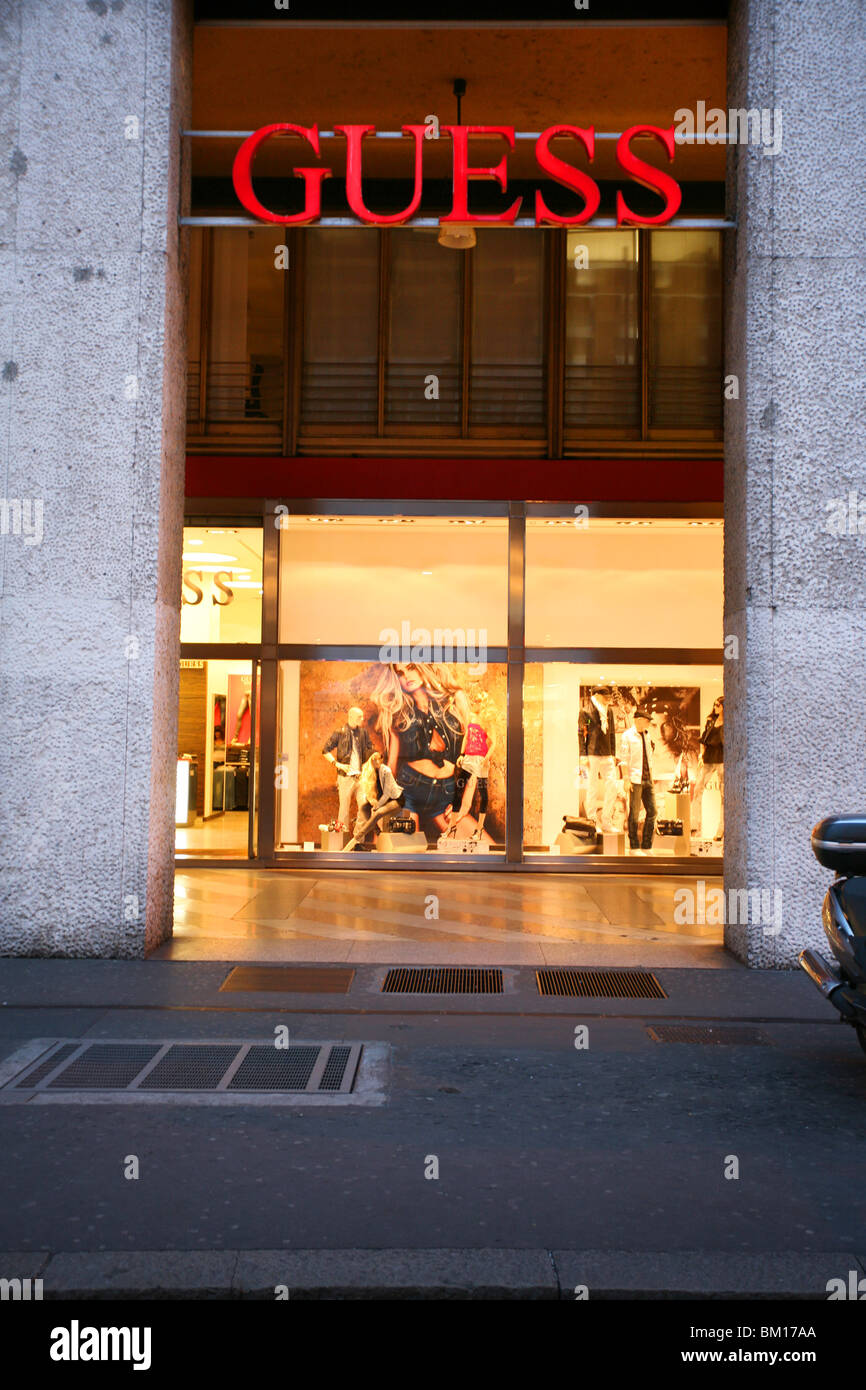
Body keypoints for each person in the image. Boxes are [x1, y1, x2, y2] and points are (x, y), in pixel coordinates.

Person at [368, 662, 480, 841]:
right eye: (400, 673)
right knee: (399, 856)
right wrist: (382, 806)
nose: (406, 676)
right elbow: (391, 765)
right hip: (408, 791)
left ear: (424, 666)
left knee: (481, 852)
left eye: (411, 668)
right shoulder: (398, 710)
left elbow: (473, 754)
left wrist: (463, 801)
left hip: (445, 795)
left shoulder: (454, 698)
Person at [449, 687, 497, 841]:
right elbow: (467, 737)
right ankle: (456, 823)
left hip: (480, 759)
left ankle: (479, 828)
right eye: (473, 701)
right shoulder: (472, 718)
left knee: (483, 793)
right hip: (469, 757)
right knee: (460, 785)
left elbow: (494, 742)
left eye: (477, 701)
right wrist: (462, 754)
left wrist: (486, 758)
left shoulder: (488, 721)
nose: (474, 703)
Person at [322, 706, 372, 832]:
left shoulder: (363, 733)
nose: (362, 719)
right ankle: (341, 840)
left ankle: (358, 840)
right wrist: (337, 764)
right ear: (351, 717)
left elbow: (369, 751)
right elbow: (325, 750)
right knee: (344, 810)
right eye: (359, 717)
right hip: (345, 777)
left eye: (362, 716)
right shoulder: (340, 732)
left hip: (360, 777)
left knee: (364, 808)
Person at [343, 752, 405, 851]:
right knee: (365, 811)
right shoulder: (370, 772)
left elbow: (387, 794)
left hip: (396, 800)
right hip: (383, 800)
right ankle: (376, 835)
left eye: (379, 758)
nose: (377, 761)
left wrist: (377, 805)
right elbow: (372, 792)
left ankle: (357, 838)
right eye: (374, 759)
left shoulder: (386, 771)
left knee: (377, 813)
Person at [579, 685, 618, 831]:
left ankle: (606, 820)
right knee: (592, 788)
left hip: (607, 753)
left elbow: (612, 733)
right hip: (592, 753)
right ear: (597, 695)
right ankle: (593, 822)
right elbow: (581, 733)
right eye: (605, 696)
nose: (608, 699)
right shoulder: (586, 712)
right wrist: (583, 754)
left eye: (608, 696)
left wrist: (613, 753)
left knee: (612, 785)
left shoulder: (609, 711)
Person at [619, 706, 657, 853]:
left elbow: (649, 758)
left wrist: (652, 776)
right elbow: (624, 759)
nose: (648, 724)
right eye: (647, 721)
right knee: (634, 812)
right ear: (639, 720)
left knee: (652, 811)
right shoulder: (627, 736)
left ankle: (647, 844)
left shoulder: (647, 735)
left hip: (647, 778)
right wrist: (626, 779)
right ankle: (634, 844)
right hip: (635, 778)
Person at [691, 695, 724, 840]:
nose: (715, 707)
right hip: (709, 759)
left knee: (724, 796)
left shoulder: (728, 723)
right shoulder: (711, 721)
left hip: (723, 760)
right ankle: (695, 826)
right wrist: (701, 756)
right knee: (698, 789)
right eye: (715, 704)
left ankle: (721, 829)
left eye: (718, 704)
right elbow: (704, 741)